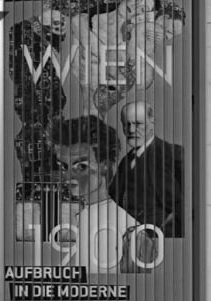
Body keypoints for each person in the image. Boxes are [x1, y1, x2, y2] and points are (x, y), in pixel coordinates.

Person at [46, 114, 144, 273]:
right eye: (64, 167)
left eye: (81, 167)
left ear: (104, 165)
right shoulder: (80, 217)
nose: (68, 176)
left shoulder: (129, 230)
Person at [110, 98, 184, 238]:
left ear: (151, 123)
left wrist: (164, 231)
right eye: (126, 124)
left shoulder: (173, 154)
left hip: (157, 238)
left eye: (138, 124)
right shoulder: (126, 161)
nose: (131, 130)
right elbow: (113, 199)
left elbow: (188, 203)